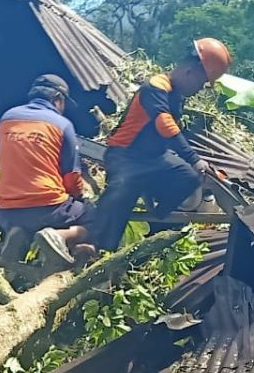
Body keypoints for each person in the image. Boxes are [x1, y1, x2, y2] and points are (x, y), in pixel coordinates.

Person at [90, 38, 233, 252]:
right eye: (202, 83)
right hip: (126, 156)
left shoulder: (177, 96)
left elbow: (176, 133)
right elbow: (164, 125)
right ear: (191, 71)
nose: (200, 89)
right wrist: (194, 159)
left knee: (189, 178)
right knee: (120, 200)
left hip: (154, 158)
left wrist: (199, 166)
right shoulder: (156, 87)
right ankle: (94, 245)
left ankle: (157, 222)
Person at [0, 73, 96, 265]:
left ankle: (20, 233)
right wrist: (79, 197)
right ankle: (60, 236)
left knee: (30, 220)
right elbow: (72, 176)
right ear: (58, 99)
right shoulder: (62, 125)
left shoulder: (7, 118)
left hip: (6, 210)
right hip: (47, 207)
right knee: (97, 219)